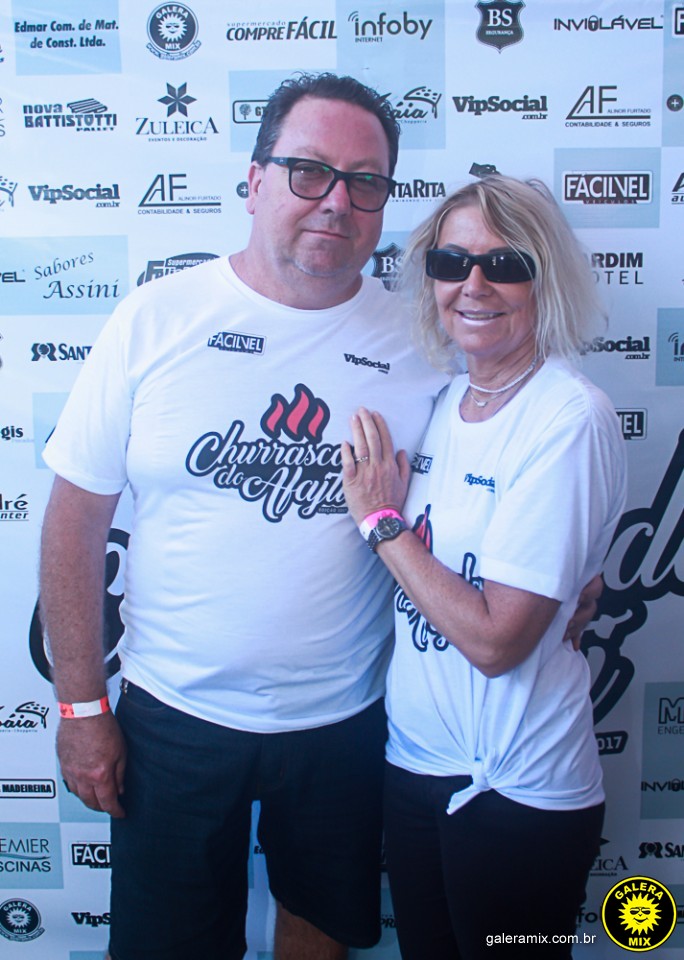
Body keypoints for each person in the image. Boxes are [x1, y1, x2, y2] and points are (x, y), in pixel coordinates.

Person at [39, 73, 601, 960]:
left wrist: (572, 568)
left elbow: (502, 462)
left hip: (347, 720)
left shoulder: (426, 341)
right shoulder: (156, 317)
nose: (337, 201)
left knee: (322, 935)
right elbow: (74, 520)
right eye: (309, 172)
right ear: (255, 180)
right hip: (173, 715)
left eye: (365, 181)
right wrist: (80, 706)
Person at [341, 175, 627, 959]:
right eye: (451, 262)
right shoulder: (439, 403)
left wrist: (381, 523)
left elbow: (498, 642)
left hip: (517, 790)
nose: (473, 285)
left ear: (545, 278)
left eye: (505, 264)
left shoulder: (568, 416)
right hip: (415, 766)